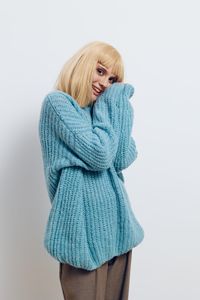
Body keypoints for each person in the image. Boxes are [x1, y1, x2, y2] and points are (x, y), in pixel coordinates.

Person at [38, 41, 144, 300]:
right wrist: (111, 106)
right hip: (81, 238)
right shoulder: (59, 104)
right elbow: (100, 155)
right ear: (82, 64)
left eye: (112, 79)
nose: (105, 83)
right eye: (99, 71)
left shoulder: (98, 115)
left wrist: (119, 108)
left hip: (118, 232)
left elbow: (121, 157)